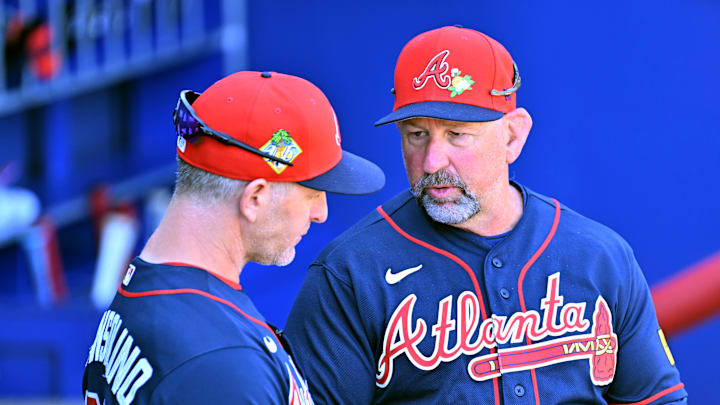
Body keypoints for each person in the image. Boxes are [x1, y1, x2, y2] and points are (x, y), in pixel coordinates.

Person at [285, 26, 688, 404]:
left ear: (513, 136)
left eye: (457, 134)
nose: (431, 160)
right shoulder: (350, 272)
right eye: (416, 134)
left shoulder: (600, 256)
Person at [81, 71, 385, 404]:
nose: (321, 212)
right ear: (255, 198)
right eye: (312, 192)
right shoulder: (222, 365)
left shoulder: (155, 286)